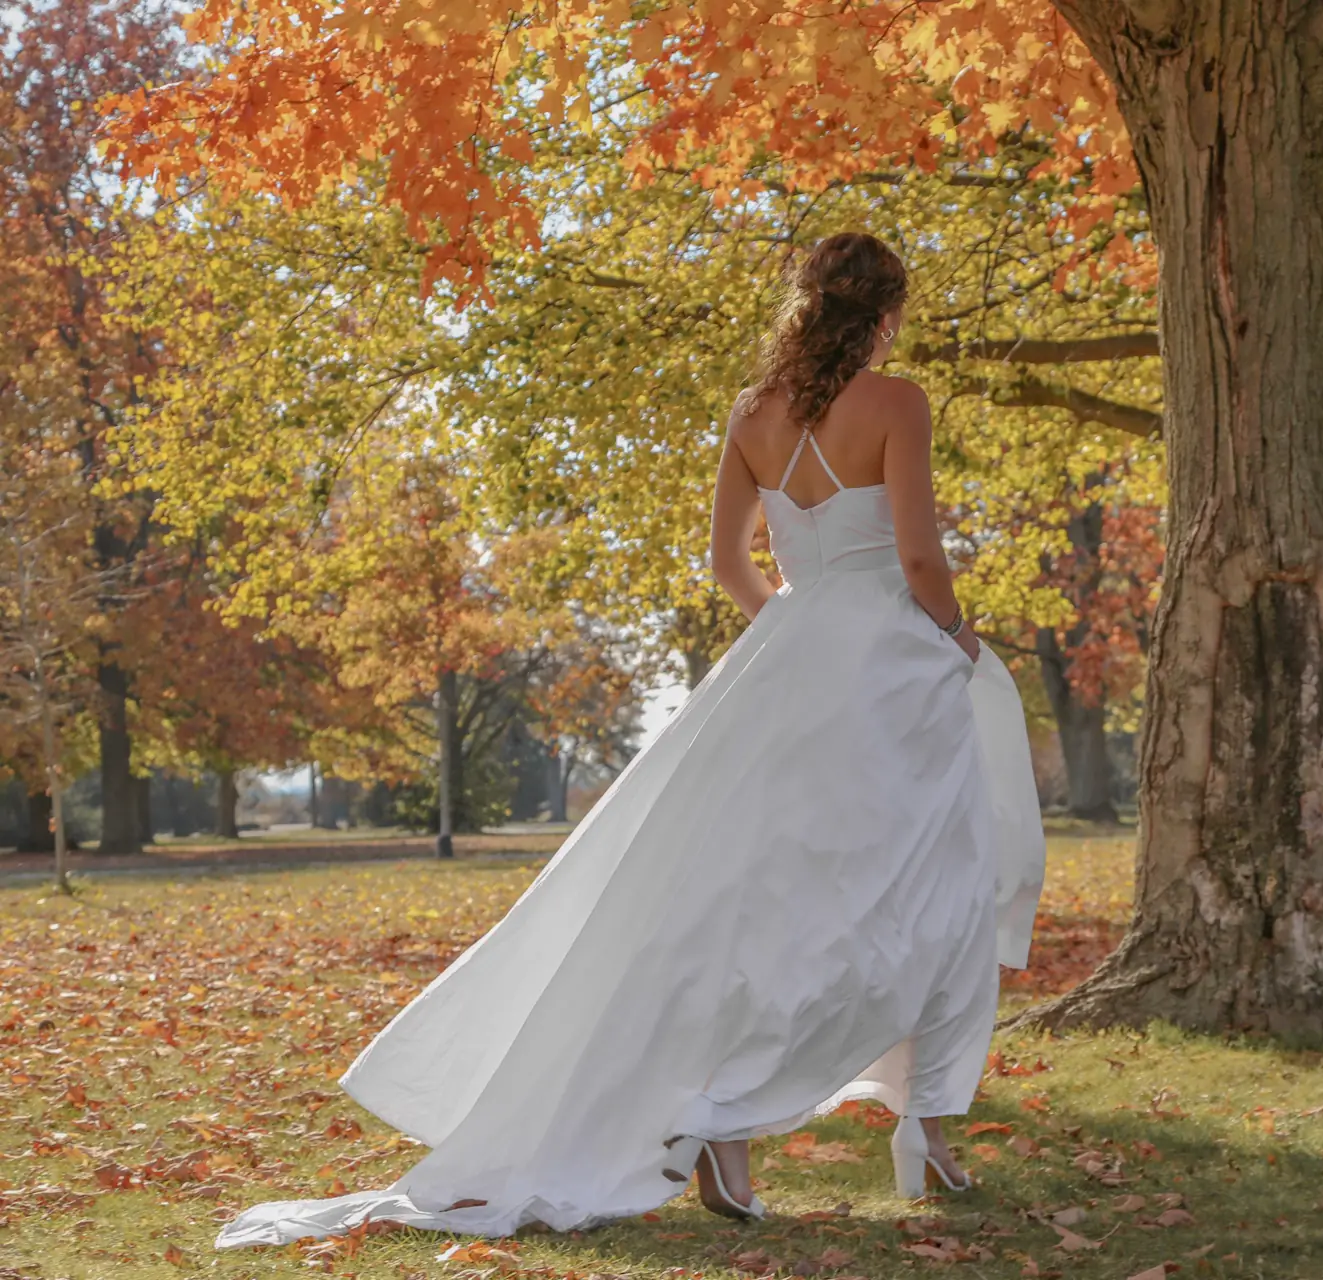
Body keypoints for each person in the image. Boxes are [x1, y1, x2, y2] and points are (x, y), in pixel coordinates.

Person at [212, 231, 1047, 1248]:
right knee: (940, 881)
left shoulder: (751, 416)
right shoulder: (899, 404)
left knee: (767, 901)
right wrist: (958, 635)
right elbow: (918, 552)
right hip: (890, 671)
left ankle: (730, 1125)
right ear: (884, 314)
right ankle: (925, 1126)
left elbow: (726, 561)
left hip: (787, 666)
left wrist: (793, 630)